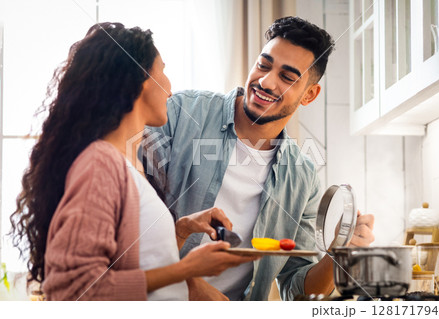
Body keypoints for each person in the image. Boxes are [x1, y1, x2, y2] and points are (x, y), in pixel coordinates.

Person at [9, 22, 257, 301]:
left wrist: (183, 229)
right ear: (140, 80)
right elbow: (74, 289)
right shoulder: (100, 163)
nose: (171, 88)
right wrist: (186, 269)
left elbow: (142, 263)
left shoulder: (131, 164)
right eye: (163, 70)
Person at [141, 16, 375, 301]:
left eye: (287, 77)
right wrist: (190, 284)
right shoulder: (180, 114)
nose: (266, 82)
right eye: (263, 65)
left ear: (309, 95)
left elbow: (298, 290)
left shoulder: (303, 177)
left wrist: (338, 253)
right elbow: (134, 220)